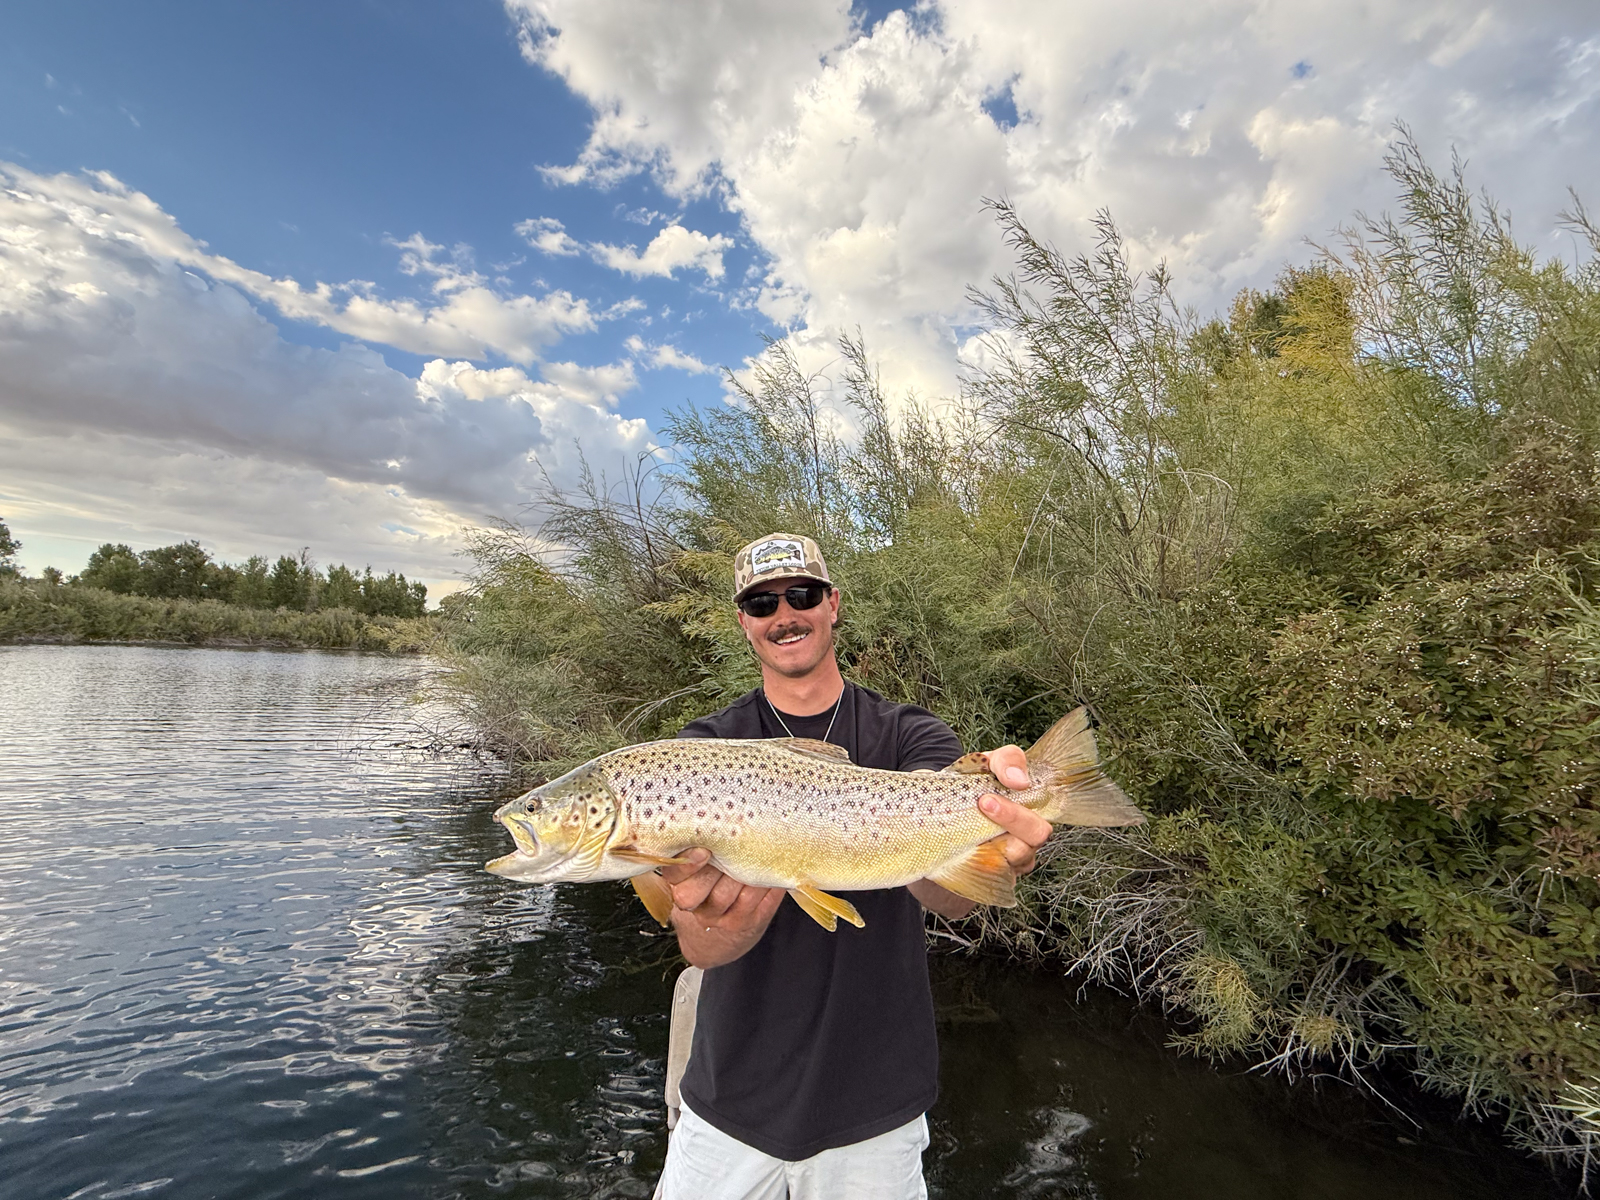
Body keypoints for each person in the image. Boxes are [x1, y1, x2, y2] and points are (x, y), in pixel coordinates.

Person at [652, 534, 1054, 1200]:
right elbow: (697, 944)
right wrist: (720, 917)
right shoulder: (703, 751)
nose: (785, 613)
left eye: (801, 595)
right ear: (744, 622)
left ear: (832, 605)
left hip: (877, 1109)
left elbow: (952, 899)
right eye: (761, 602)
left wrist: (994, 832)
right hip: (730, 1103)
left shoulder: (910, 734)